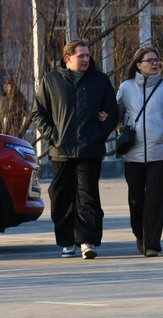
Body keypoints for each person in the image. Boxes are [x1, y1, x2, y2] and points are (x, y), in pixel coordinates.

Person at [32, 39, 119, 259]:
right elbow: (38, 113)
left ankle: (87, 241)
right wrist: (54, 136)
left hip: (90, 150)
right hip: (61, 151)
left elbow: (112, 114)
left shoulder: (100, 81)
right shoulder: (51, 80)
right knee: (61, 197)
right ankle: (66, 241)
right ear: (68, 58)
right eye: (81, 56)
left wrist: (99, 134)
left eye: (88, 55)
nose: (86, 59)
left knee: (88, 197)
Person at [116, 46, 163, 257]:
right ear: (138, 64)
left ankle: (152, 243)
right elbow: (116, 114)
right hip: (133, 153)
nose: (155, 63)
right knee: (135, 199)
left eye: (157, 60)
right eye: (150, 60)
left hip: (159, 151)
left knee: (156, 198)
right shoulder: (125, 88)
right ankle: (140, 235)